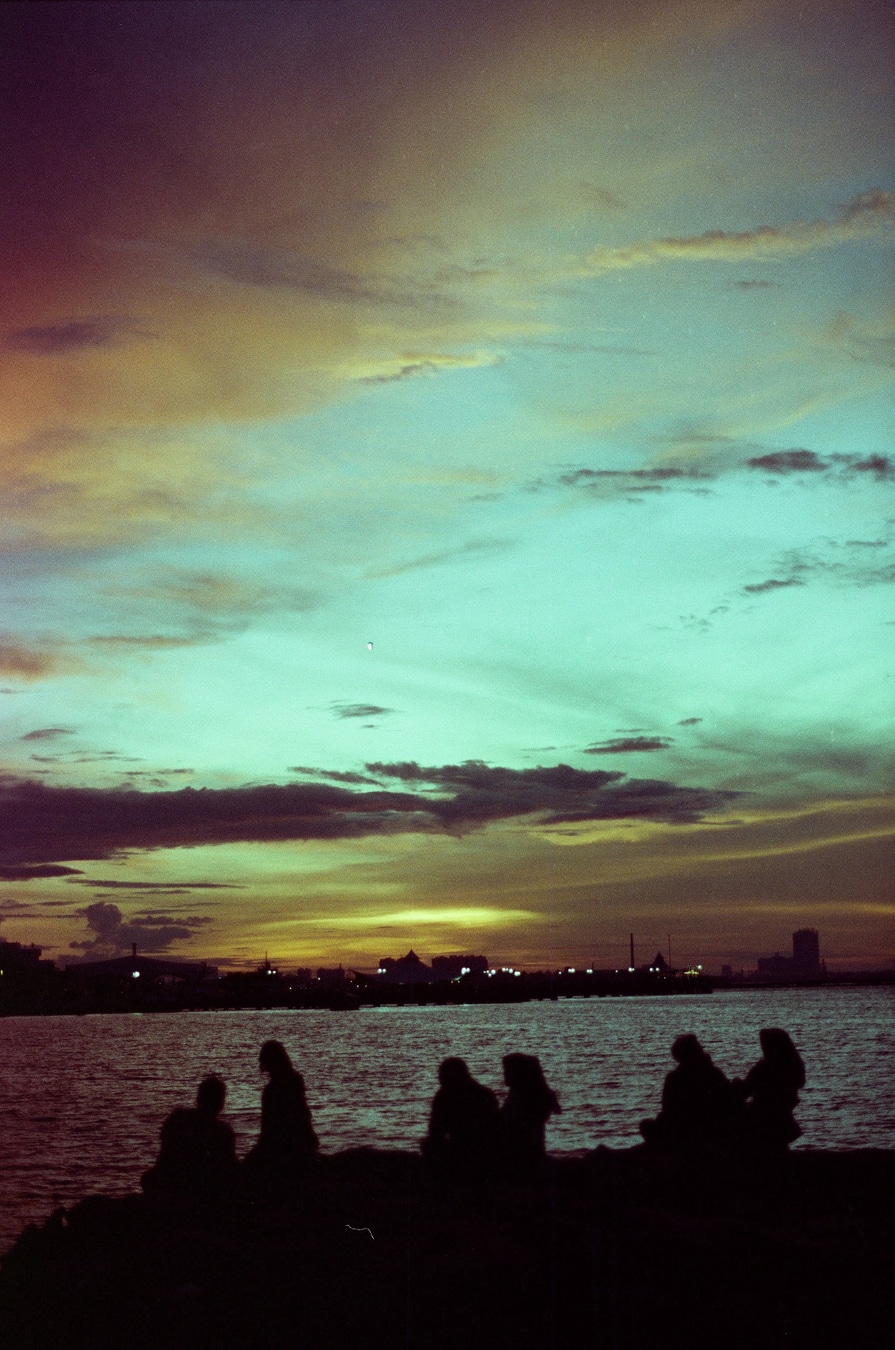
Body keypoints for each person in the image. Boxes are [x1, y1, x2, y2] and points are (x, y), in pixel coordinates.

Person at [141, 1074, 237, 1200]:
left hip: (169, 1181)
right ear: (220, 1103)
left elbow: (164, 1154)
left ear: (198, 1099)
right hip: (194, 1187)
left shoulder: (177, 1118)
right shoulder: (222, 1131)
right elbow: (230, 1165)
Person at [640, 1034, 739, 1156]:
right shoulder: (712, 1073)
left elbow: (669, 1111)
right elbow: (730, 1099)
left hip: (695, 1130)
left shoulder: (676, 1078)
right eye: (699, 1047)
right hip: (704, 1129)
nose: (703, 1049)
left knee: (647, 1126)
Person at [244, 1039, 318, 1183]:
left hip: (284, 1147)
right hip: (305, 1141)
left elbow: (267, 1132)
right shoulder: (296, 1080)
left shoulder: (270, 1092)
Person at [421, 1057, 501, 1174]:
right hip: (469, 1146)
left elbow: (435, 1129)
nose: (440, 1079)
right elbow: (435, 1128)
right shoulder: (483, 1094)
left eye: (442, 1075)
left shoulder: (479, 1095)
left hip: (478, 1148)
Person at [741, 1027, 805, 1151]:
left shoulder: (766, 1068)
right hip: (780, 1114)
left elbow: (746, 1089)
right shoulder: (792, 1066)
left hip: (765, 1115)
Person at [500, 1053, 561, 1171]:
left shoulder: (525, 1099)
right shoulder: (519, 1095)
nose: (504, 1074)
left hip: (523, 1157)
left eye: (507, 1070)